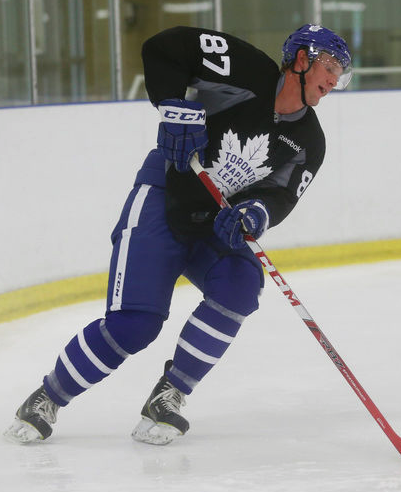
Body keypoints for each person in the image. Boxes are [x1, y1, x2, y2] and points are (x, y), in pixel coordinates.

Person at [4, 24, 352, 445]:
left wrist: (256, 213)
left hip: (217, 220)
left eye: (340, 74)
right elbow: (164, 48)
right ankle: (47, 397)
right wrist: (174, 107)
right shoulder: (243, 68)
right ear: (301, 59)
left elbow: (280, 194)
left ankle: (169, 395)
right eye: (329, 67)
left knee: (241, 285)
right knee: (135, 325)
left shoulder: (309, 140)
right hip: (164, 197)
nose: (334, 81)